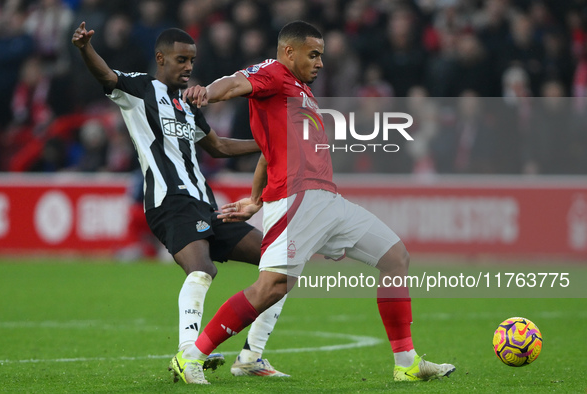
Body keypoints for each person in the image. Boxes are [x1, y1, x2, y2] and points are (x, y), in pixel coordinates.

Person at [181, 20, 456, 385]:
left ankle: (406, 362)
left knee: (395, 257)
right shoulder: (272, 72)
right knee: (272, 287)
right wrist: (207, 93)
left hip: (327, 199)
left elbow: (268, 153)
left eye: (322, 55)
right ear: (289, 52)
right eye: (313, 54)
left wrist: (253, 200)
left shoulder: (300, 92)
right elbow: (233, 83)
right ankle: (192, 356)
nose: (320, 63)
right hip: (297, 199)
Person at [71, 22, 289, 383]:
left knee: (281, 266)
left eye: (192, 60)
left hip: (205, 204)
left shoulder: (189, 104)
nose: (189, 67)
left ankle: (251, 356)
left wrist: (269, 144)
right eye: (181, 60)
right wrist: (85, 49)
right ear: (161, 59)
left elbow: (218, 147)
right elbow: (106, 76)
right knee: (202, 270)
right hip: (169, 202)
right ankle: (189, 354)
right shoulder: (140, 88)